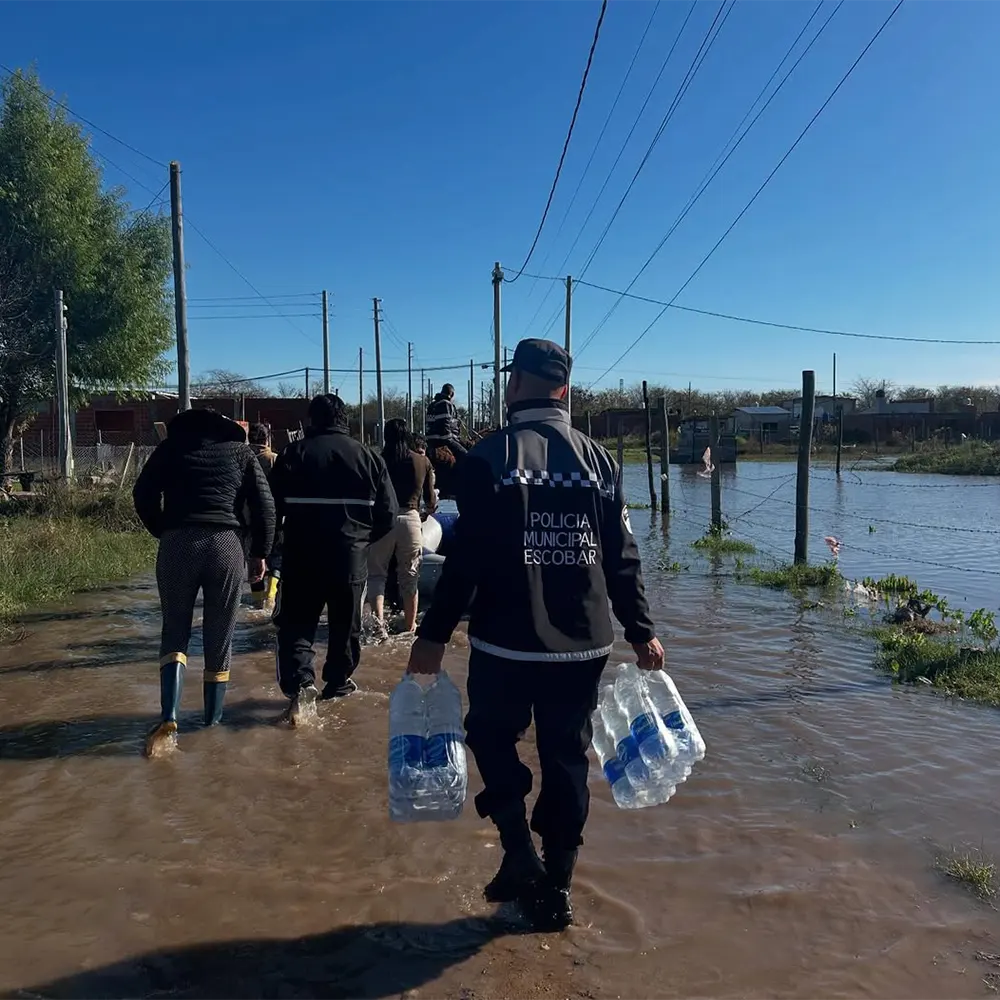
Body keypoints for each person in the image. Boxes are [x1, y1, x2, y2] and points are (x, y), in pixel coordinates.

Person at [407, 338, 663, 932]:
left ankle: (519, 851)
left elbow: (466, 558)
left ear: (515, 384)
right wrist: (642, 630)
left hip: (506, 640)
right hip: (585, 642)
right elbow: (622, 556)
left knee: (490, 737)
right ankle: (560, 884)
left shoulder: (487, 458)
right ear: (565, 390)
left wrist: (432, 634)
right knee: (566, 756)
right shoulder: (601, 462)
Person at [133, 407, 276, 754]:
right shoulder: (241, 452)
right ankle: (212, 724)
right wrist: (260, 553)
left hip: (179, 541)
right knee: (219, 637)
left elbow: (142, 494)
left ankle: (169, 716)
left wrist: (164, 529)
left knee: (175, 630)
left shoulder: (171, 448)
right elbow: (265, 507)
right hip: (226, 545)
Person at [269, 393, 397, 718]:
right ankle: (338, 685)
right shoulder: (369, 458)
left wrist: (273, 547)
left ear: (311, 420)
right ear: (346, 421)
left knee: (296, 627)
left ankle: (300, 690)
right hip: (349, 559)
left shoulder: (292, 454)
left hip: (302, 559)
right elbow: (388, 515)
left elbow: (270, 510)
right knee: (345, 627)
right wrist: (361, 541)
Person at [367, 418, 436, 634]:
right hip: (411, 518)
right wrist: (424, 513)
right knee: (410, 576)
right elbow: (431, 500)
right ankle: (410, 627)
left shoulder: (377, 460)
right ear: (407, 436)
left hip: (382, 522)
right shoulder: (421, 462)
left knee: (377, 575)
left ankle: (379, 629)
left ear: (385, 436)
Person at [247, 423, 279, 610]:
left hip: (249, 517)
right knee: (275, 558)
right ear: (267, 439)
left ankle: (258, 602)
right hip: (273, 516)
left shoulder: (243, 458)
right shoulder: (275, 459)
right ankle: (271, 595)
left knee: (253, 559)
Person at [425, 383, 467, 464]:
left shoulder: (433, 404)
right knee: (466, 455)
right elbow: (444, 427)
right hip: (443, 441)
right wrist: (452, 440)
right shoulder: (445, 404)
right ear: (452, 394)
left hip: (431, 440)